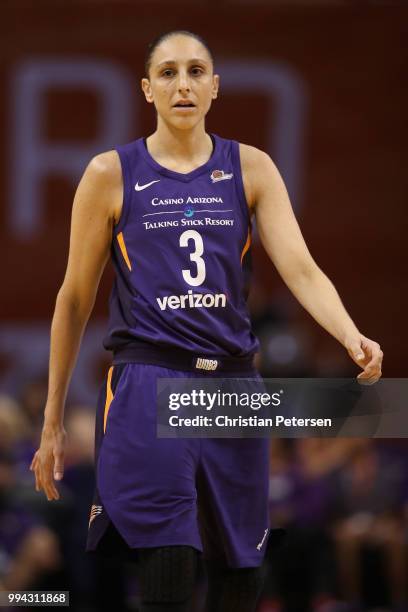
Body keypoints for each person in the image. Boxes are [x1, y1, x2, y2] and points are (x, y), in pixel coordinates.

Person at [29, 30, 383, 612]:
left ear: (215, 87)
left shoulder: (251, 167)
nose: (183, 84)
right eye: (168, 73)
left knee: (241, 571)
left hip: (235, 387)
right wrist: (51, 420)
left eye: (196, 71)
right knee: (170, 561)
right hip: (151, 380)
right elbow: (72, 300)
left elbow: (302, 268)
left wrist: (349, 333)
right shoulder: (108, 174)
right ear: (147, 90)